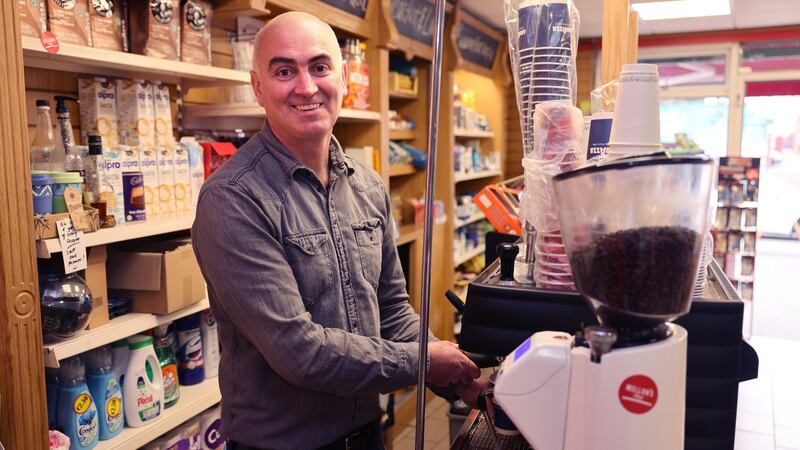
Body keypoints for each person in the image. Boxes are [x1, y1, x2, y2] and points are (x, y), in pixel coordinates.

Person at [192, 12, 482, 450]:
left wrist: (459, 376)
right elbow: (298, 351)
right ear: (258, 87)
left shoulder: (368, 186)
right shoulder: (233, 199)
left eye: (320, 67)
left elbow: (392, 310)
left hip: (367, 433)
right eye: (284, 71)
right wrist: (424, 361)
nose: (306, 87)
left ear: (344, 77)